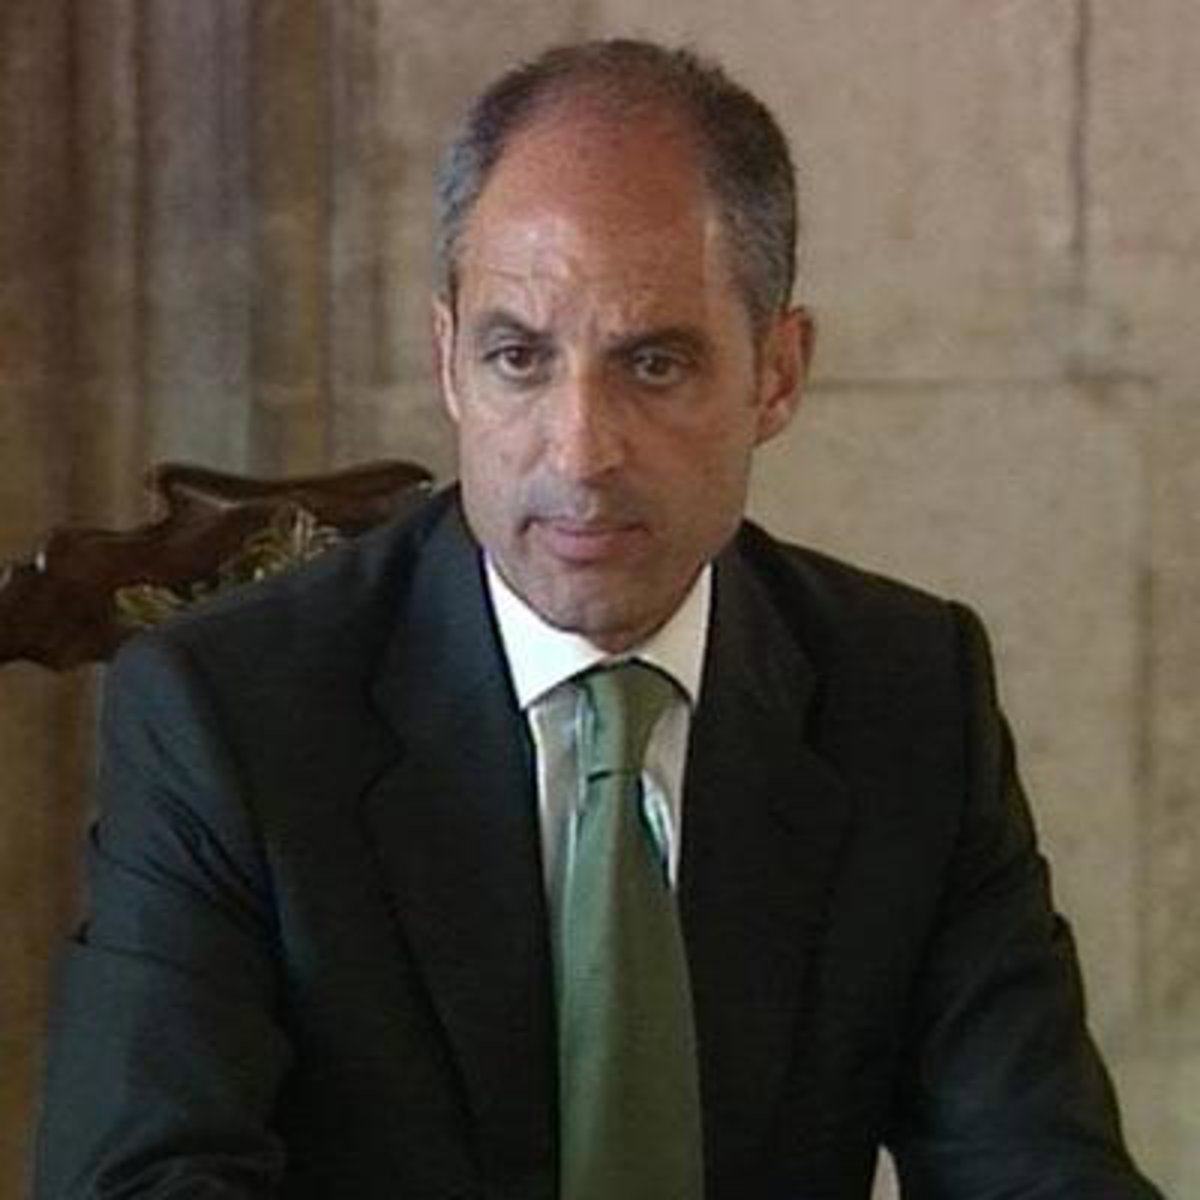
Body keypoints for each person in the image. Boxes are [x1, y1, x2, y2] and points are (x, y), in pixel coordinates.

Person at [35, 38, 1164, 1200]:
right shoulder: (225, 714)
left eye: (654, 365)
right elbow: (142, 1180)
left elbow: (1036, 1165)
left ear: (777, 373)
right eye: (519, 358)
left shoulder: (909, 694)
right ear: (448, 362)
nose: (579, 453)